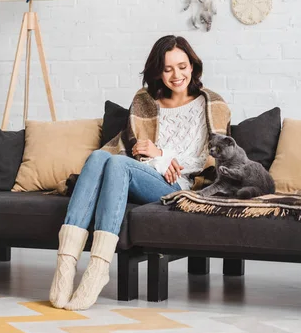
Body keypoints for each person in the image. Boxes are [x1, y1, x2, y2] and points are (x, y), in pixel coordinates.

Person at [49, 35, 230, 311]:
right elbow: (135, 148)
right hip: (144, 171)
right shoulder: (145, 101)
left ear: (192, 66)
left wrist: (162, 155)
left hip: (179, 185)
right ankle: (64, 267)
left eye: (182, 66)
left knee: (117, 164)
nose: (176, 75)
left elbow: (204, 159)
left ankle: (97, 271)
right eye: (168, 69)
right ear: (158, 71)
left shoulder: (212, 103)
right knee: (100, 156)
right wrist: (153, 157)